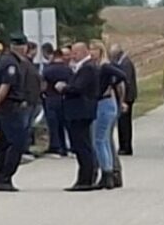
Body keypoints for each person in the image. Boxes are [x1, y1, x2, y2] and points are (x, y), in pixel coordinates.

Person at [0, 33, 31, 191]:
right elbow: (5, 86)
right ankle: (5, 176)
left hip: (7, 106)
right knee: (17, 143)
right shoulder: (11, 63)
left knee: (4, 143)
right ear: (22, 47)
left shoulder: (6, 60)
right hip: (11, 106)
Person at [57, 41, 99, 191]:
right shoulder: (81, 67)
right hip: (79, 111)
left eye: (75, 53)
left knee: (82, 145)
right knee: (81, 145)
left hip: (80, 111)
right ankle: (85, 177)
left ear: (84, 52)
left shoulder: (87, 67)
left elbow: (78, 88)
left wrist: (64, 88)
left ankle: (85, 179)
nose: (73, 56)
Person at [90, 40, 126, 189]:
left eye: (94, 49)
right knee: (104, 140)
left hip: (105, 103)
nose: (91, 52)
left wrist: (109, 86)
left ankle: (107, 172)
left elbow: (121, 75)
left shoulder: (105, 66)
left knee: (100, 140)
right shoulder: (97, 67)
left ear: (100, 51)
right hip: (102, 103)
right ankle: (109, 172)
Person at [41, 44, 71, 157]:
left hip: (51, 98)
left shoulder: (48, 70)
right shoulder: (68, 70)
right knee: (64, 124)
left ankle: (55, 146)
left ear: (53, 56)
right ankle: (65, 147)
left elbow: (43, 85)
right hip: (65, 99)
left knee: (53, 124)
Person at [110, 43, 138, 156]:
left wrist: (123, 99)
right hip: (124, 96)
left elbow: (126, 81)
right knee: (122, 122)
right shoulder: (122, 62)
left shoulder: (125, 63)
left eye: (113, 54)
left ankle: (126, 146)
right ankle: (123, 145)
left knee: (125, 123)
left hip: (127, 97)